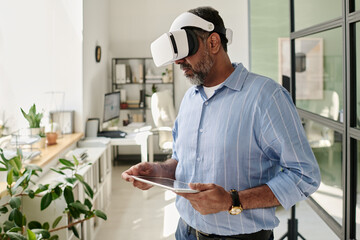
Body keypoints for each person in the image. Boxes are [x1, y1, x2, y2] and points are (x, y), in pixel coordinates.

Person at [122, 6, 321, 240]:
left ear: (213, 43)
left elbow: (304, 176)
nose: (178, 62)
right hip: (185, 231)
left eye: (186, 49)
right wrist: (160, 171)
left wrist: (232, 200)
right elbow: (183, 160)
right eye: (175, 54)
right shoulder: (190, 100)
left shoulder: (266, 97)